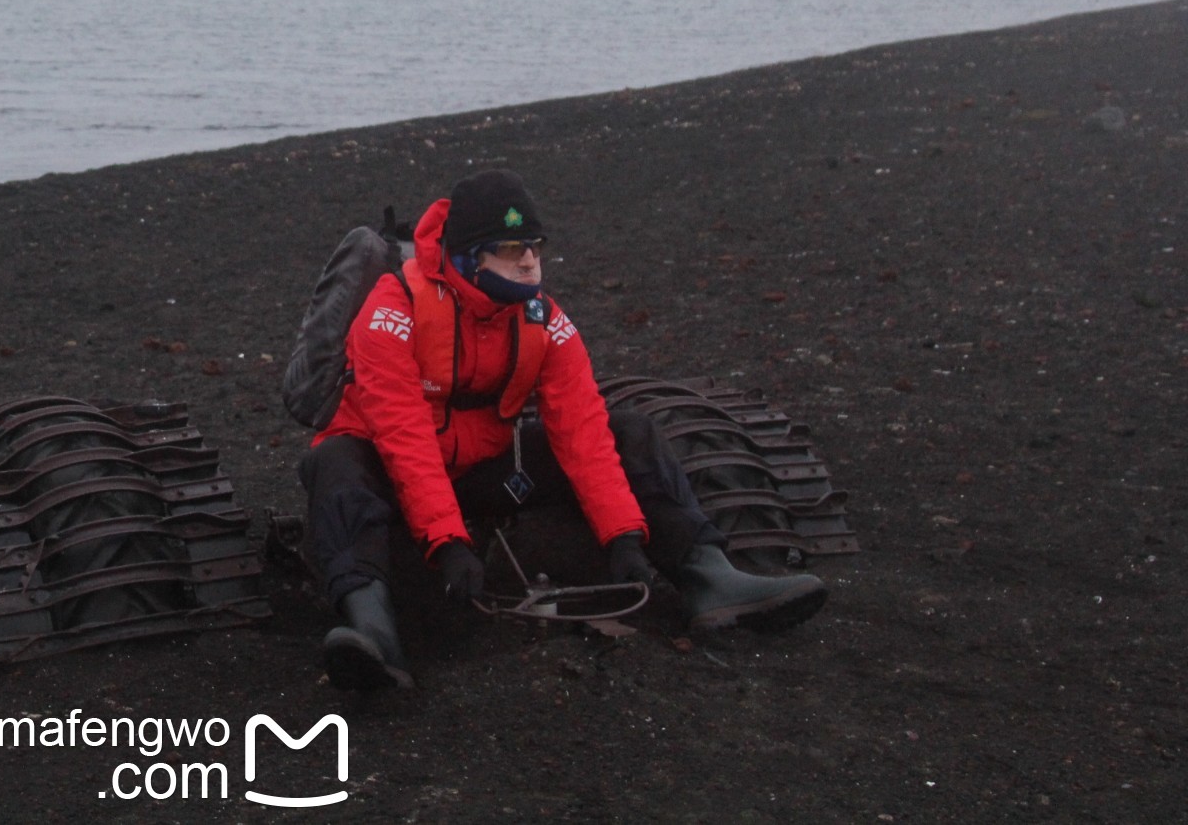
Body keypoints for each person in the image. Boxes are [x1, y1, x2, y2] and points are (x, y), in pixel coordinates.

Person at [299, 169, 826, 690]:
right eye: (510, 249)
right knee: (335, 463)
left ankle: (708, 576)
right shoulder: (394, 308)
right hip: (387, 471)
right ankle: (371, 625)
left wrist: (622, 534)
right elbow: (403, 436)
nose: (529, 261)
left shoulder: (542, 318)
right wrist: (447, 543)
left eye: (535, 246)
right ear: (466, 259)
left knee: (628, 431)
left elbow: (583, 430)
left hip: (483, 469)